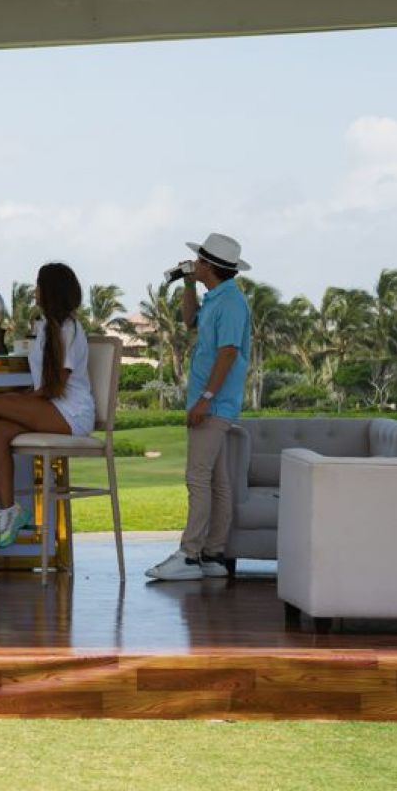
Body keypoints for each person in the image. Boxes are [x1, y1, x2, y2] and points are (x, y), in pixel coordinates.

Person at [0, 262, 95, 547]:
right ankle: (9, 510)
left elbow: (56, 387)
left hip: (71, 413)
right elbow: (44, 384)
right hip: (56, 407)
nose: (35, 290)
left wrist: (15, 400)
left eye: (38, 285)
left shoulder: (67, 329)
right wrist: (18, 397)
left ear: (50, 291)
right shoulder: (47, 328)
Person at [147, 233, 253, 582]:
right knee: (217, 481)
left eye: (199, 262)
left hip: (213, 404)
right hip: (211, 402)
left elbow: (228, 353)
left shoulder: (232, 304)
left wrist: (205, 399)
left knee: (197, 478)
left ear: (210, 265)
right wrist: (188, 285)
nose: (195, 264)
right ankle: (214, 555)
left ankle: (189, 554)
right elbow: (188, 321)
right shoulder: (216, 299)